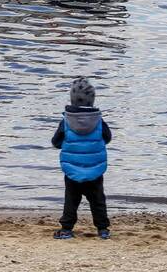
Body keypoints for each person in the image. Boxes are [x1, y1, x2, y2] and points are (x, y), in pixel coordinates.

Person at [51, 77, 112, 240]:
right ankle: (103, 229)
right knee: (98, 200)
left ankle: (66, 230)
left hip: (72, 170)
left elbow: (56, 142)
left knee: (71, 200)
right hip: (94, 169)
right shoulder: (99, 121)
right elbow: (107, 138)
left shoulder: (65, 122)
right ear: (93, 100)